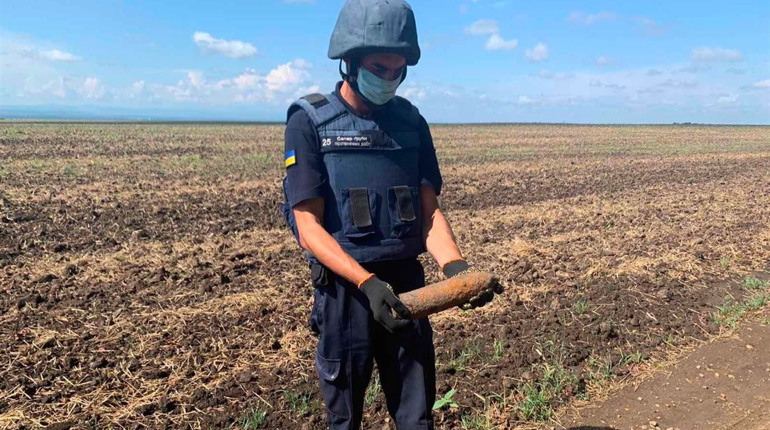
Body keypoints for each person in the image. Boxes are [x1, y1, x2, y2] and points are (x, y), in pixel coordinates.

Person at [281, 1, 494, 428]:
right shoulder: (309, 122)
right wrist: (366, 282)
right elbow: (308, 227)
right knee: (346, 419)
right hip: (346, 294)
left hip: (407, 289)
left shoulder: (411, 123)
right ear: (350, 62)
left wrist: (457, 270)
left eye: (398, 70)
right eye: (380, 68)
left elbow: (429, 213)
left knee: (417, 416)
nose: (389, 79)